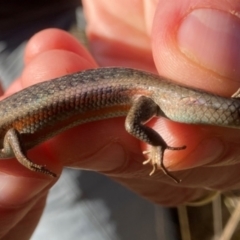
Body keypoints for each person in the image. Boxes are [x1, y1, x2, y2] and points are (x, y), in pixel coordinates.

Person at [1, 0, 240, 239]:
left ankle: (159, 146)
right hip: (120, 80)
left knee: (131, 127)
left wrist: (23, 158)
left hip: (140, 93)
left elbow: (12, 135)